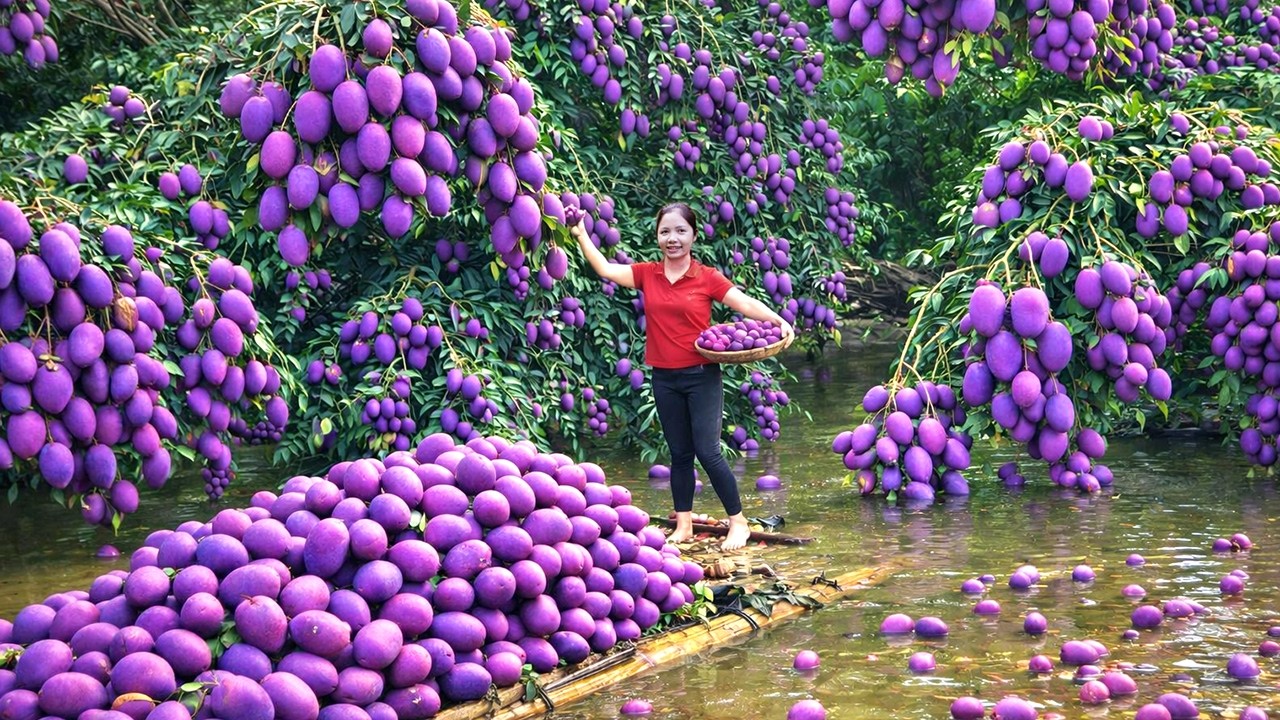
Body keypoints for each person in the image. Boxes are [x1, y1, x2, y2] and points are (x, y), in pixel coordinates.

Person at [569, 201, 794, 551]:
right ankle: (684, 523)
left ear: (692, 235)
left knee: (708, 451)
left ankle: (739, 523)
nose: (672, 238)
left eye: (680, 231)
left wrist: (779, 321)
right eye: (665, 232)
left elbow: (744, 303)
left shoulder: (706, 277)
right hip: (664, 377)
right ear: (658, 236)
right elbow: (605, 268)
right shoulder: (647, 274)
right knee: (679, 454)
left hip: (702, 375)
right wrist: (581, 232)